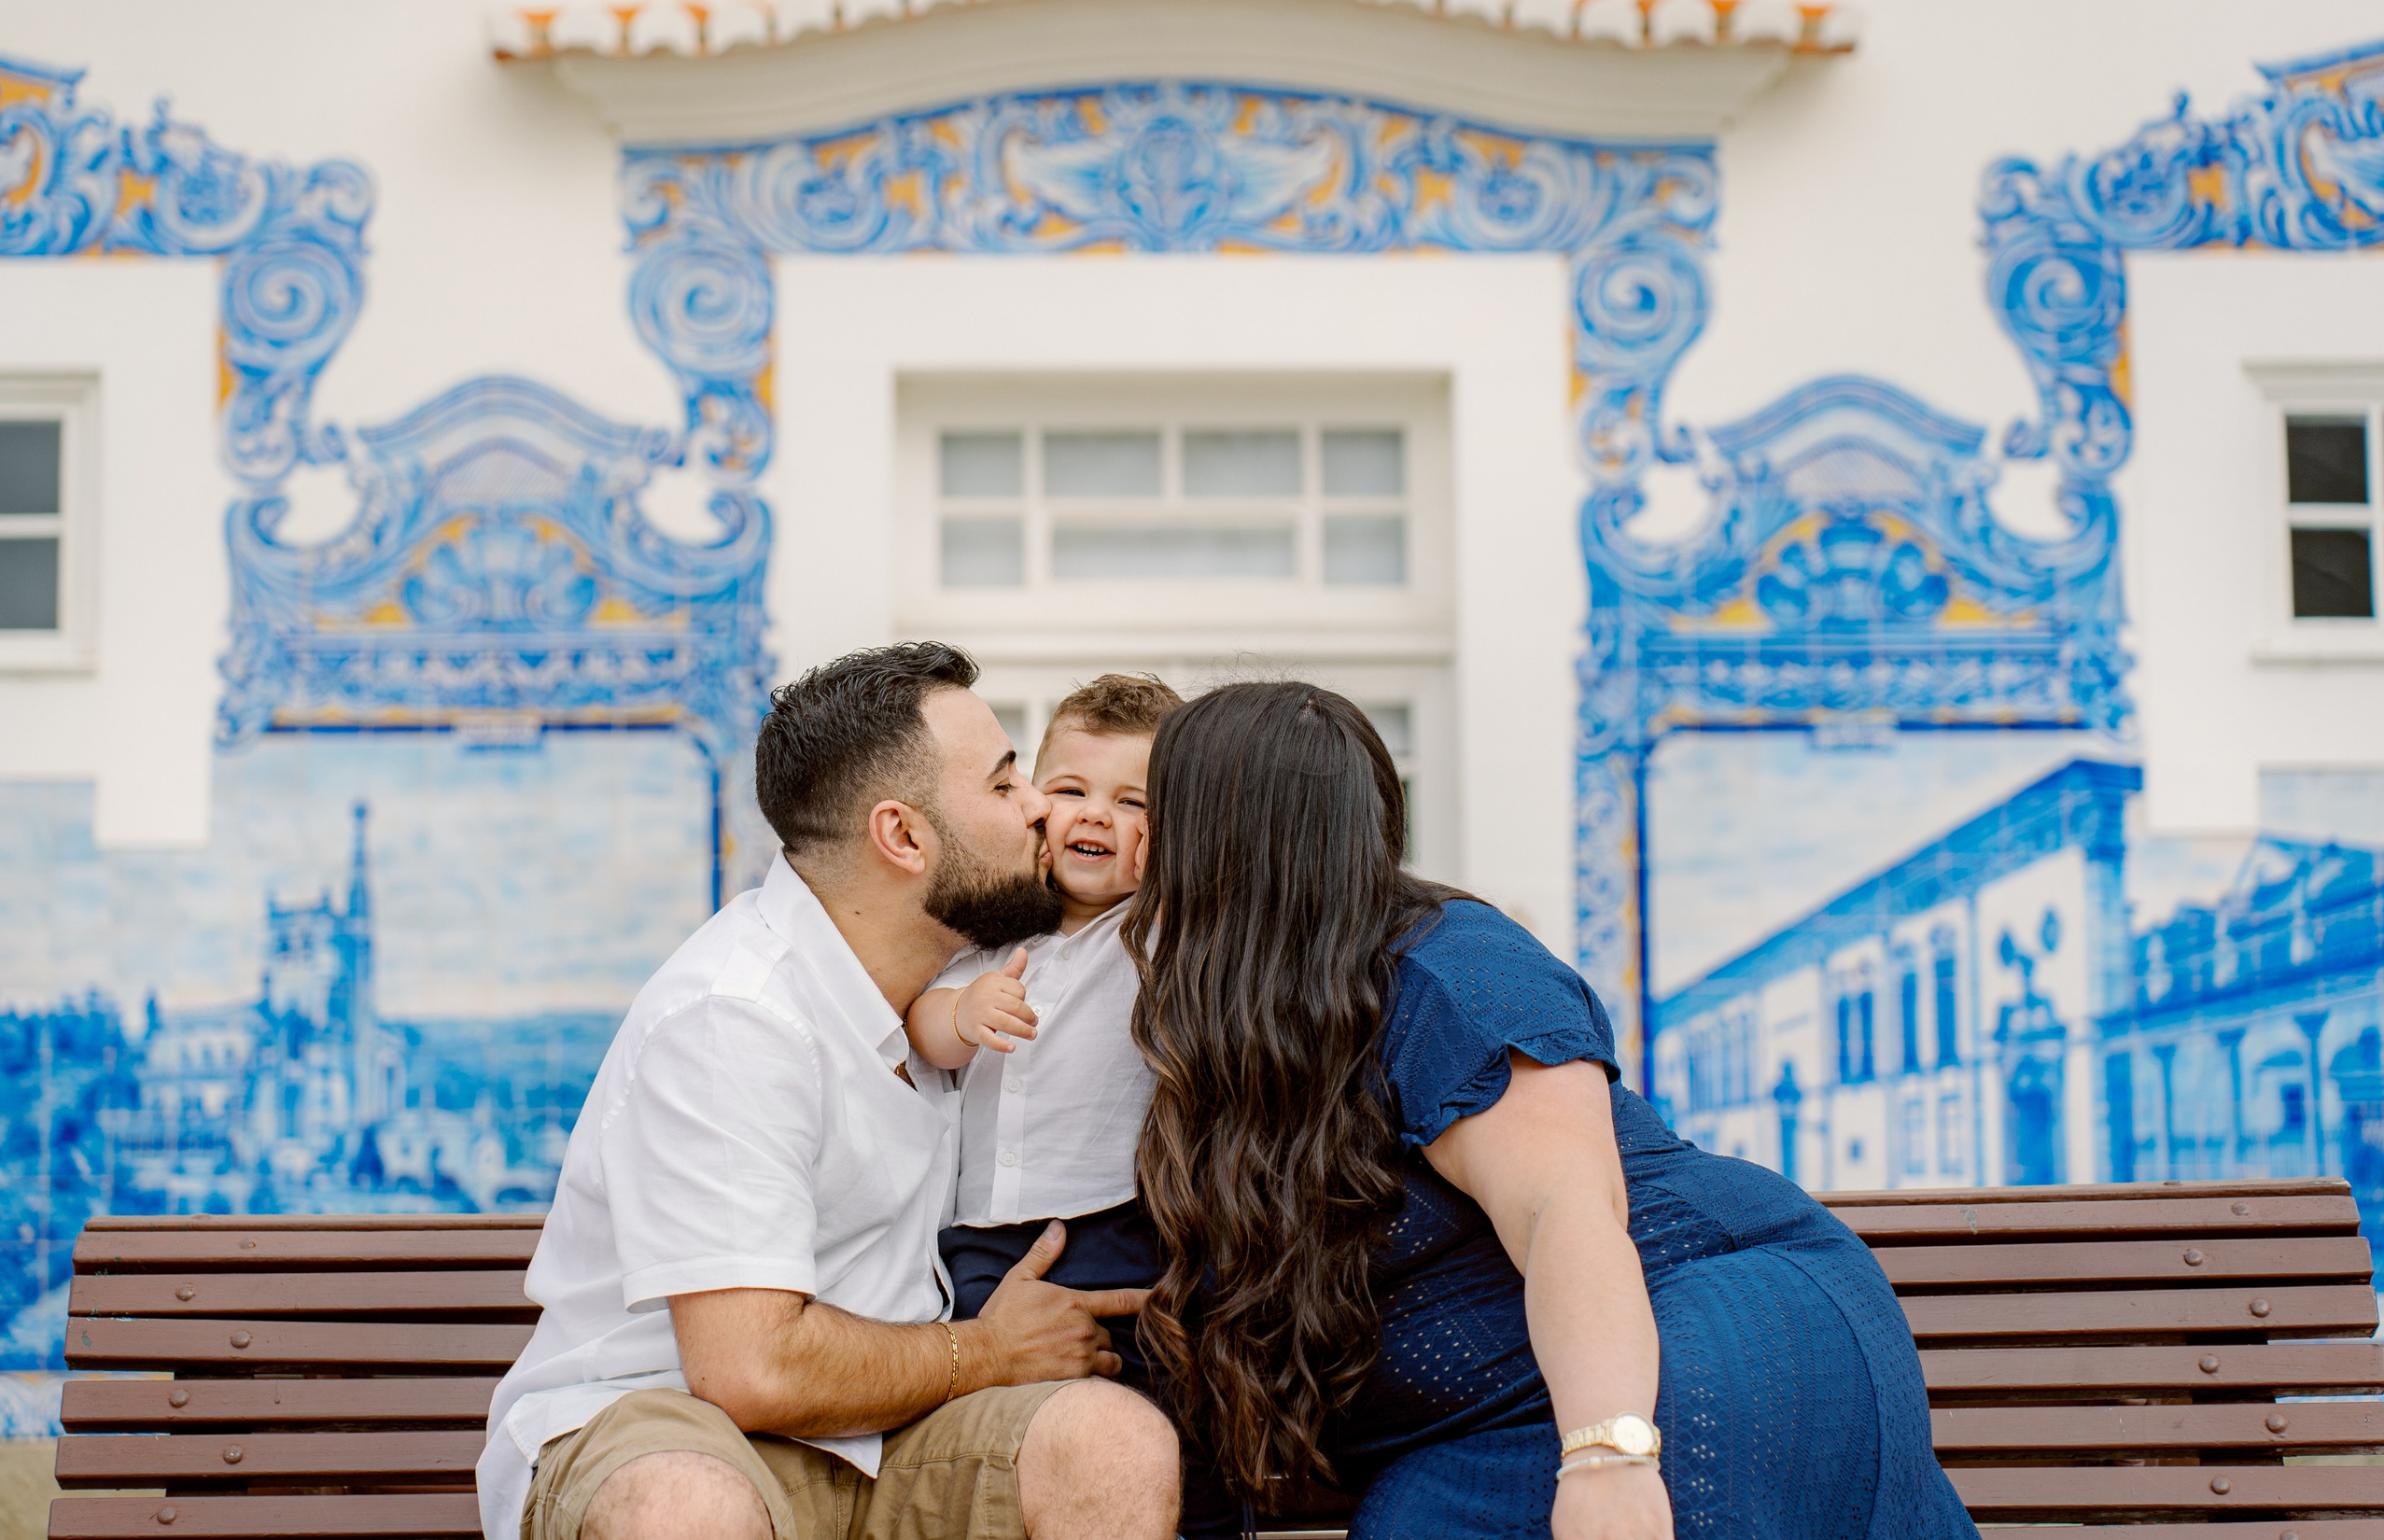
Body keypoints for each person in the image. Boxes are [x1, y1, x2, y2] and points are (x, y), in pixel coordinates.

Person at [1126, 682, 1976, 1540]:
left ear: (1223, 844)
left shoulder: (1451, 971)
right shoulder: (1238, 1022)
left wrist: (1610, 1455)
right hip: (1505, 1413)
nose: (1140, 840)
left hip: (1698, 1319)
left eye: (1154, 811)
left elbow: (1564, 1207)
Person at [475, 643, 1180, 1540]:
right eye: (1006, 784)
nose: (1042, 806)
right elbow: (752, 1370)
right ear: (904, 837)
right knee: (687, 1505)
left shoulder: (949, 986)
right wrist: (990, 1349)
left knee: (1111, 1443)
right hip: (671, 1425)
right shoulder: (735, 1017)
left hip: (888, 1437)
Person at [902, 673, 1233, 1538]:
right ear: (1033, 806)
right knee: (991, 1414)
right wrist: (962, 1016)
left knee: (1151, 1406)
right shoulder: (992, 932)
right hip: (978, 1238)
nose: (1097, 816)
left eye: (1133, 803)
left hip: (1117, 1229)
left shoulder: (1160, 935)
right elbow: (923, 1028)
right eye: (1073, 790)